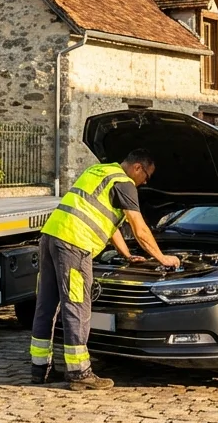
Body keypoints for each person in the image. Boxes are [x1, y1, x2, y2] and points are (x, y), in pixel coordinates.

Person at [29, 149, 181, 390]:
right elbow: (139, 229)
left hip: (51, 237)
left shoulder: (98, 171)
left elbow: (110, 225)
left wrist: (127, 255)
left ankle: (40, 369)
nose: (145, 183)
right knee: (77, 307)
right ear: (138, 168)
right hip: (74, 243)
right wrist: (162, 258)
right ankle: (80, 373)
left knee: (46, 305)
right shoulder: (124, 182)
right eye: (147, 177)